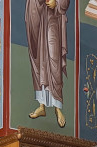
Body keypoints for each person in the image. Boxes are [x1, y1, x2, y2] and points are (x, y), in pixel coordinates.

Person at [25, 0, 70, 128]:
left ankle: (57, 107)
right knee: (39, 61)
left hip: (53, 19)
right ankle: (41, 105)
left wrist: (57, 3)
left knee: (54, 59)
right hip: (37, 16)